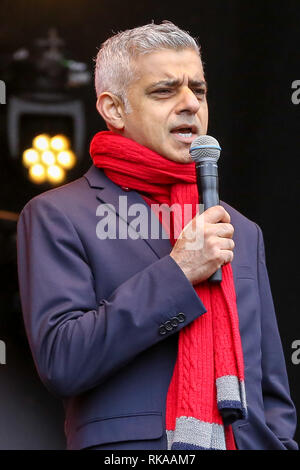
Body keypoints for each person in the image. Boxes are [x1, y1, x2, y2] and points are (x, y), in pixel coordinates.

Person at [17, 21, 298, 450]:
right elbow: (63, 360)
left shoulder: (240, 229)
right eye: (165, 90)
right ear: (113, 109)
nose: (190, 104)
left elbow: (272, 389)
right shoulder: (59, 214)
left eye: (199, 91)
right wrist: (179, 271)